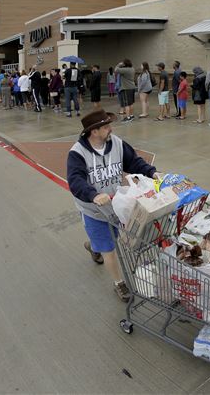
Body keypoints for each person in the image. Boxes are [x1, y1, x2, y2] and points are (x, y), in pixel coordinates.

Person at [66, 109, 162, 302]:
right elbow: (75, 180)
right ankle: (119, 283)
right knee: (110, 249)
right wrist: (93, 195)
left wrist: (153, 173)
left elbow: (134, 162)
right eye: (106, 126)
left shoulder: (116, 143)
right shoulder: (77, 153)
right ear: (94, 131)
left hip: (115, 205)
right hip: (93, 210)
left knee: (110, 240)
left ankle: (95, 247)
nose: (111, 129)